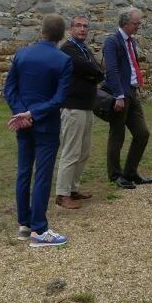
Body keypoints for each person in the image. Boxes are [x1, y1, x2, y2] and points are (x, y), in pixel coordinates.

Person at [4, 14, 74, 248]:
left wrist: (21, 112)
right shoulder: (63, 60)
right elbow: (59, 98)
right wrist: (32, 113)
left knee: (24, 172)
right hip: (45, 124)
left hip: (23, 123)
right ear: (62, 35)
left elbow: (9, 89)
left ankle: (24, 224)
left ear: (41, 31)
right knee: (42, 175)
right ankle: (39, 230)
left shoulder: (21, 54)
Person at [54, 15, 103, 210]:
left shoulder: (85, 49)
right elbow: (88, 67)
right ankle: (62, 194)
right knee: (71, 151)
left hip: (86, 106)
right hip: (73, 107)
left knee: (83, 151)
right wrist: (94, 73)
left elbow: (97, 69)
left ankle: (73, 189)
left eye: (85, 26)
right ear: (71, 29)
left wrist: (94, 73)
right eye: (79, 26)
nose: (82, 29)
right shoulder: (68, 49)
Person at [103, 6, 152, 189]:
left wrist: (134, 90)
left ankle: (130, 172)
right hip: (121, 94)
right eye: (135, 23)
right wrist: (118, 95)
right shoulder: (112, 42)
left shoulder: (132, 42)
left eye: (139, 23)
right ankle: (115, 175)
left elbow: (131, 67)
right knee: (117, 134)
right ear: (125, 23)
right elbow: (112, 71)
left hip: (132, 92)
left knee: (142, 133)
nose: (138, 26)